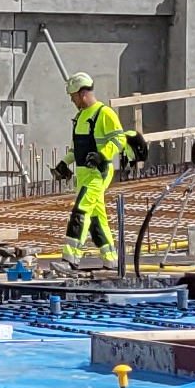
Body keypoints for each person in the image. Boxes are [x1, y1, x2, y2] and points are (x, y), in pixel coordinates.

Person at [60, 71, 132, 260]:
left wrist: (102, 155)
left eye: (73, 96)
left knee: (81, 210)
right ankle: (110, 258)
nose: (71, 101)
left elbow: (120, 139)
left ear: (83, 93)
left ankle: (70, 258)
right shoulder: (80, 116)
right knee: (96, 218)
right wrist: (63, 163)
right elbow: (76, 148)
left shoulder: (104, 113)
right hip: (83, 174)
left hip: (98, 173)